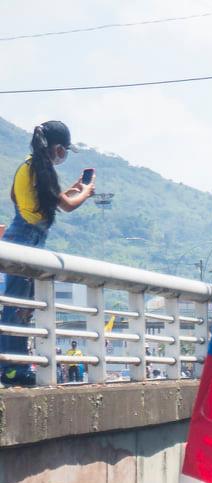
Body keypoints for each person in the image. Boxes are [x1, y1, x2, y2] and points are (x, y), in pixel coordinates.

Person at [2, 122, 96, 387]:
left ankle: (16, 365)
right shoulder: (42, 169)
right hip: (26, 242)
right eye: (64, 151)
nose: (63, 156)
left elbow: (25, 199)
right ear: (58, 149)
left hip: (20, 238)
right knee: (16, 309)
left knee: (21, 309)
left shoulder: (28, 166)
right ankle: (11, 368)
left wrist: (69, 191)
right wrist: (85, 192)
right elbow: (67, 206)